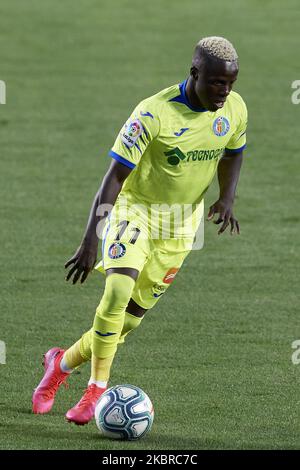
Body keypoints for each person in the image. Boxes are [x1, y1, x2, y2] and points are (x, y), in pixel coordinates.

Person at [32, 36, 247, 425]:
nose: (224, 91)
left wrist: (226, 198)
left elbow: (234, 151)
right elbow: (113, 178)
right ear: (195, 73)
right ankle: (95, 391)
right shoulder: (151, 114)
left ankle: (59, 364)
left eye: (230, 83)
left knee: (128, 320)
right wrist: (89, 241)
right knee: (117, 291)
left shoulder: (233, 109)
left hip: (181, 226)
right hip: (136, 212)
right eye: (216, 82)